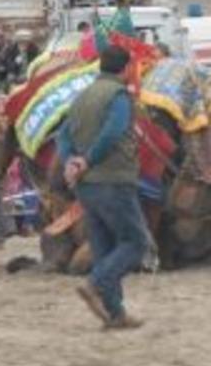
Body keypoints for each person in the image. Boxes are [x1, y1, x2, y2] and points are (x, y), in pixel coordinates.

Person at [58, 46, 147, 330]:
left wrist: (71, 161)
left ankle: (115, 314)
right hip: (113, 179)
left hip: (87, 186)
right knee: (135, 243)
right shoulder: (119, 95)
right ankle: (96, 283)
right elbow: (114, 130)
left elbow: (63, 135)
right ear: (125, 69)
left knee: (104, 248)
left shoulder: (81, 96)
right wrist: (87, 159)